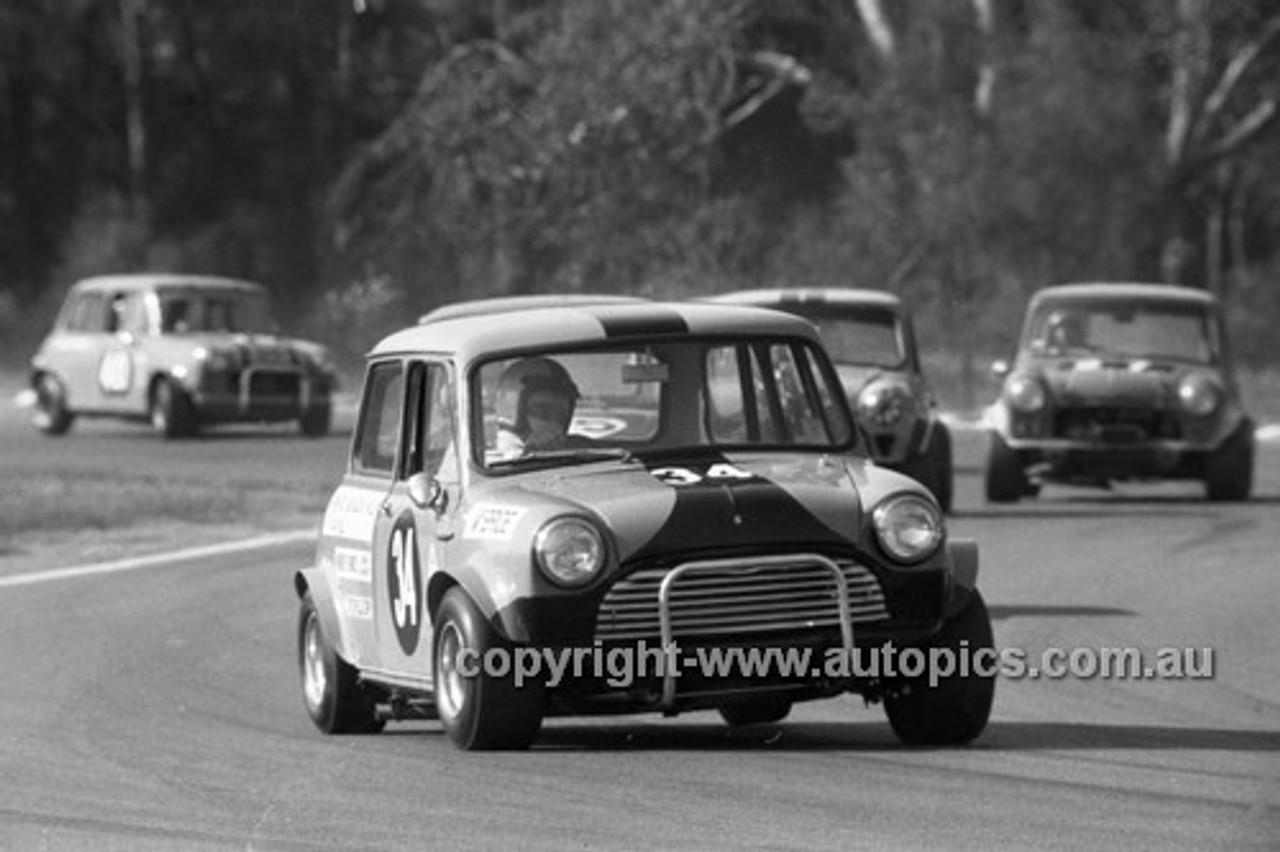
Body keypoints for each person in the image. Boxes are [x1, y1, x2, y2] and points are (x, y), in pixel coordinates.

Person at [490, 357, 581, 459]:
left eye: (561, 416)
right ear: (512, 410)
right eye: (543, 412)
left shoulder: (574, 451)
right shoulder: (492, 461)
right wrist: (530, 455)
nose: (554, 423)